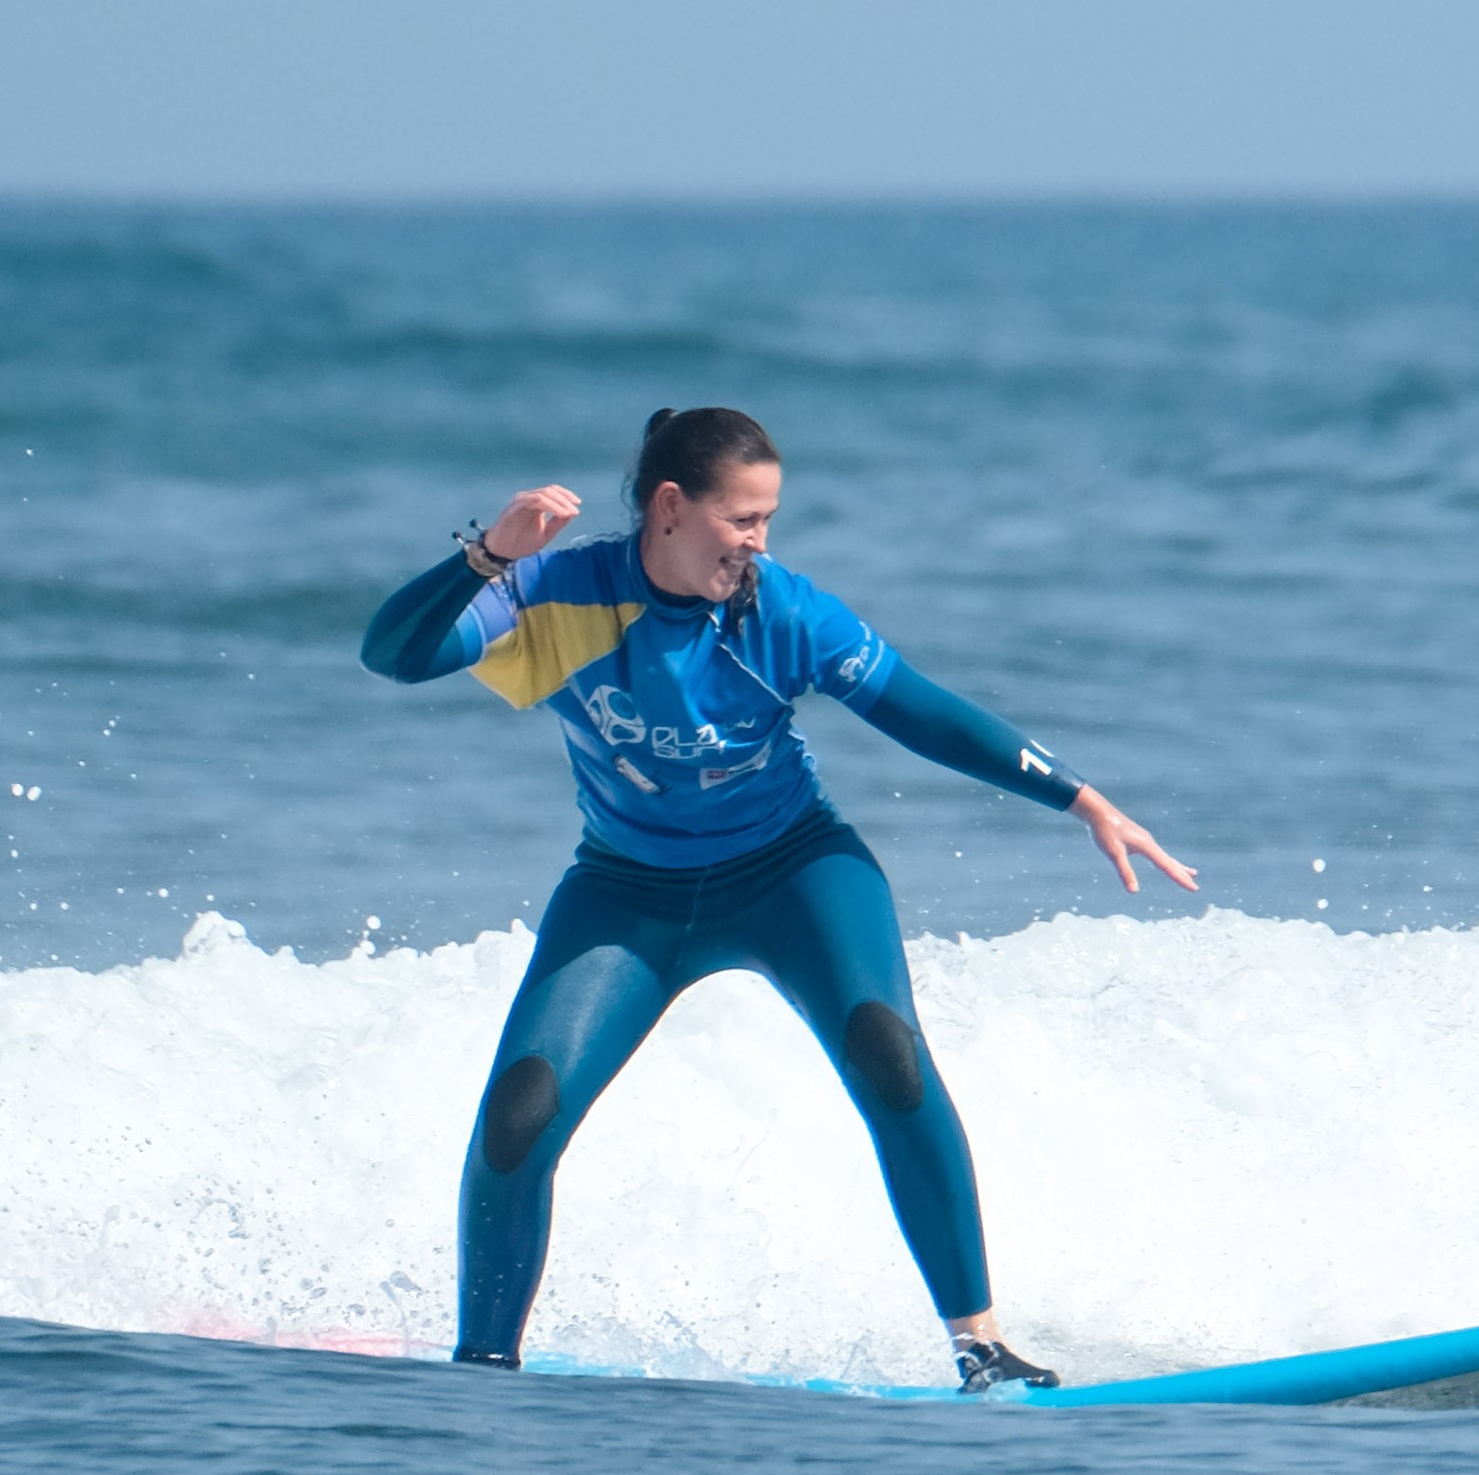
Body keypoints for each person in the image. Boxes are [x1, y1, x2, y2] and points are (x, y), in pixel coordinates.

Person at [359, 406, 1196, 1392]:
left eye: (768, 520)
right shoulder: (555, 595)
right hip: (626, 894)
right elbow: (396, 655)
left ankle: (982, 1344)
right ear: (670, 508)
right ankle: (484, 1367)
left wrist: (1080, 796)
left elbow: (921, 711)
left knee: (887, 1052)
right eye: (743, 520)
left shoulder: (781, 612)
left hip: (792, 871)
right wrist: (488, 557)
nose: (760, 542)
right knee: (519, 1113)